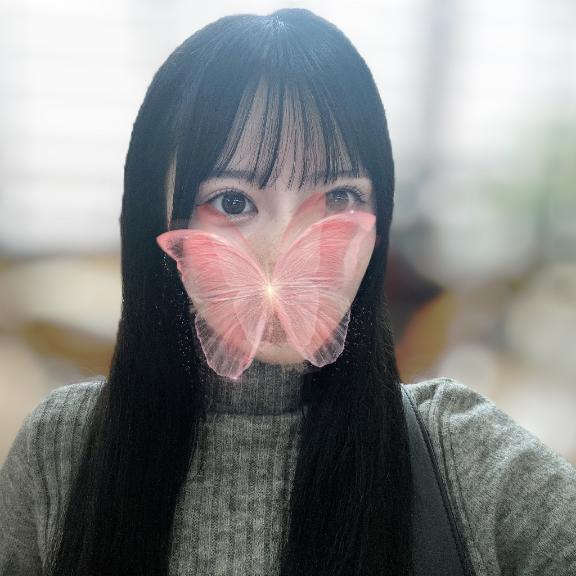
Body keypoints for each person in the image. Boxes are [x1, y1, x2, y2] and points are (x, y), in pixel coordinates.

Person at [1, 8, 575, 576]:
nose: (283, 252)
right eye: (232, 202)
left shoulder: (461, 453)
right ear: (157, 213)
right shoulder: (61, 451)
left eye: (339, 197)